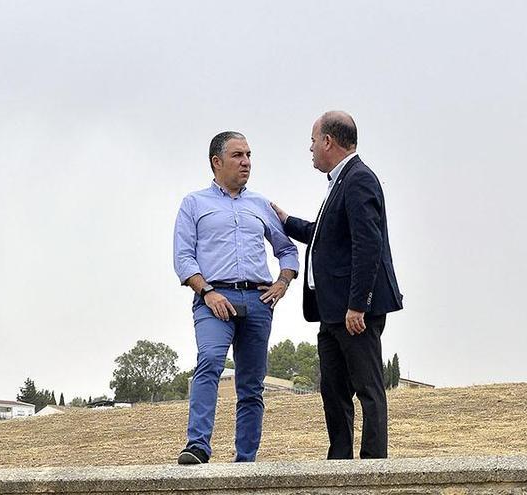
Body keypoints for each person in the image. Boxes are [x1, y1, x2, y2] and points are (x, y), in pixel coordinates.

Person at [271, 111, 403, 459]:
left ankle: (373, 468)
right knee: (333, 389)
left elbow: (367, 243)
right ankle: (339, 463)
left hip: (353, 311)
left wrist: (357, 304)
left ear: (328, 141)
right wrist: (285, 222)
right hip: (331, 313)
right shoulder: (339, 183)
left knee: (368, 388)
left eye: (313, 141)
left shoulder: (358, 179)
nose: (310, 148)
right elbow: (324, 236)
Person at [173, 131, 299, 464]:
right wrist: (207, 292)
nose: (246, 162)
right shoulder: (194, 204)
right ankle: (198, 445)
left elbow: (286, 249)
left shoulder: (260, 204)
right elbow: (184, 258)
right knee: (210, 362)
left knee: (251, 384)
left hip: (258, 301)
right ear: (217, 162)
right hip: (213, 298)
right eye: (238, 156)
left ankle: (246, 461)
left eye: (249, 155)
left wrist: (283, 282)